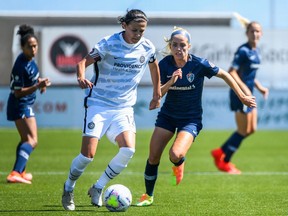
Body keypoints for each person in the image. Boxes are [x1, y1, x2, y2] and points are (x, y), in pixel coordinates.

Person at [136, 27, 257, 206]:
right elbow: (157, 95)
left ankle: (179, 163)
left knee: (175, 154)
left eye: (182, 45)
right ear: (170, 46)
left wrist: (242, 96)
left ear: (189, 46)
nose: (179, 49)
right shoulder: (164, 65)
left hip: (190, 119)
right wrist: (171, 82)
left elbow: (225, 74)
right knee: (153, 157)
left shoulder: (199, 64)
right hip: (167, 116)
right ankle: (148, 196)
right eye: (175, 45)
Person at [61, 9, 161, 211]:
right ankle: (68, 188)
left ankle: (98, 188)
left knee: (128, 150)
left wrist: (156, 94)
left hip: (124, 107)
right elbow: (82, 62)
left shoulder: (147, 47)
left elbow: (153, 67)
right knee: (88, 155)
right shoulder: (108, 43)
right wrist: (81, 76)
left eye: (142, 31)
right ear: (124, 26)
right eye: (134, 30)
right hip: (98, 104)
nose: (138, 34)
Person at [211, 20, 269, 174]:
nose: (255, 34)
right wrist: (244, 90)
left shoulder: (256, 52)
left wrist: (260, 87)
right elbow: (232, 72)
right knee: (243, 131)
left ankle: (220, 151)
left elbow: (249, 75)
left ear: (261, 34)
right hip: (240, 95)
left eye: (258, 31)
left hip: (250, 94)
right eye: (252, 31)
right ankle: (225, 161)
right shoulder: (243, 51)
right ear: (247, 33)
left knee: (251, 129)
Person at [6, 24, 51, 184]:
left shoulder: (30, 60)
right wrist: (36, 86)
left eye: (35, 46)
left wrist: (40, 83)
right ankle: (15, 173)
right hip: (20, 104)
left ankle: (20, 171)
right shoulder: (20, 65)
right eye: (30, 47)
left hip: (25, 104)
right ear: (22, 47)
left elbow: (31, 80)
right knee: (32, 140)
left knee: (26, 139)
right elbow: (18, 92)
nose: (33, 49)